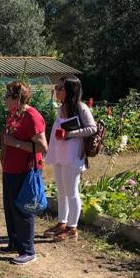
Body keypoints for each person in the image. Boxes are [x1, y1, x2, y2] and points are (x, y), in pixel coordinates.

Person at [44, 75, 97, 241]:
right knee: (61, 191)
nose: (56, 90)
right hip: (60, 153)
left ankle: (73, 228)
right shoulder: (62, 107)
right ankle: (62, 223)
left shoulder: (80, 107)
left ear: (69, 90)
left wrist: (69, 134)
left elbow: (92, 128)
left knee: (72, 192)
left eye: (60, 88)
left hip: (73, 154)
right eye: (57, 87)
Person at [0, 81, 48, 265]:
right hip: (10, 169)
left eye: (7, 96)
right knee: (10, 207)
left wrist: (15, 143)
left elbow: (43, 147)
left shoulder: (32, 116)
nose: (4, 99)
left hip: (25, 170)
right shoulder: (15, 114)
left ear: (16, 98)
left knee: (22, 209)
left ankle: (28, 250)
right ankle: (14, 242)